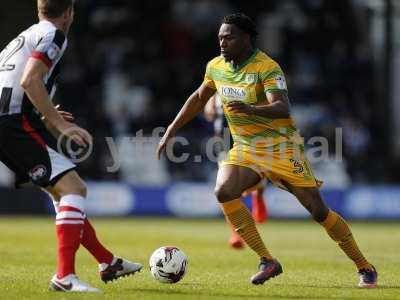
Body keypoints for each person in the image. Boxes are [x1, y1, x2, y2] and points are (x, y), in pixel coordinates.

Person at [157, 13, 377, 287]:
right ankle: (267, 260)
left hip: (282, 149)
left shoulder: (267, 67)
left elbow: (282, 107)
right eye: (220, 38)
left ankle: (364, 266)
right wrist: (171, 129)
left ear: (246, 38)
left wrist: (249, 109)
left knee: (318, 211)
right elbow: (199, 98)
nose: (222, 42)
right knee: (224, 191)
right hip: (246, 148)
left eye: (229, 36)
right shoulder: (215, 67)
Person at [0, 0, 142, 292]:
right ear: (69, 13)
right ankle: (65, 277)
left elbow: (13, 82)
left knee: (62, 191)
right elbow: (30, 81)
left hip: (13, 119)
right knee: (73, 189)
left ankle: (107, 261)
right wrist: (58, 123)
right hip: (11, 123)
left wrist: (43, 113)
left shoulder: (26, 34)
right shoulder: (54, 34)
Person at [204, 93, 268, 249]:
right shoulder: (215, 87)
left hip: (249, 141)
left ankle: (258, 193)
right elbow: (208, 114)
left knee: (256, 178)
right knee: (228, 190)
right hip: (224, 145)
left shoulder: (248, 83)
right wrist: (212, 108)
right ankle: (236, 233)